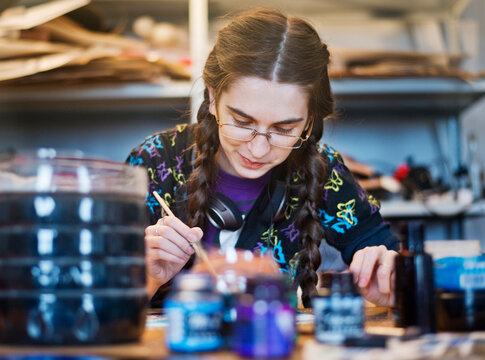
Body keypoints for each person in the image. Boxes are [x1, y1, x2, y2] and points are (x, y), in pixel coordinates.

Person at [126, 8, 398, 308]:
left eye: (284, 129)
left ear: (309, 122)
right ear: (213, 98)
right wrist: (148, 278)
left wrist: (387, 278)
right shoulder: (154, 161)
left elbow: (386, 258)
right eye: (242, 122)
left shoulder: (322, 170)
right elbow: (88, 313)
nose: (257, 151)